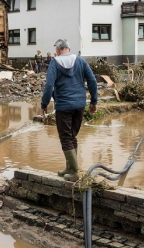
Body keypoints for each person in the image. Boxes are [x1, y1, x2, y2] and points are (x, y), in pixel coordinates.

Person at [40, 39, 98, 182]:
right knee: (72, 136)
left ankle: (73, 172)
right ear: (69, 48)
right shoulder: (80, 61)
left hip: (64, 106)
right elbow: (92, 81)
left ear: (58, 49)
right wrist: (94, 101)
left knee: (66, 138)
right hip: (79, 104)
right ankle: (70, 167)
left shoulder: (54, 63)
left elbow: (49, 86)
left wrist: (44, 104)